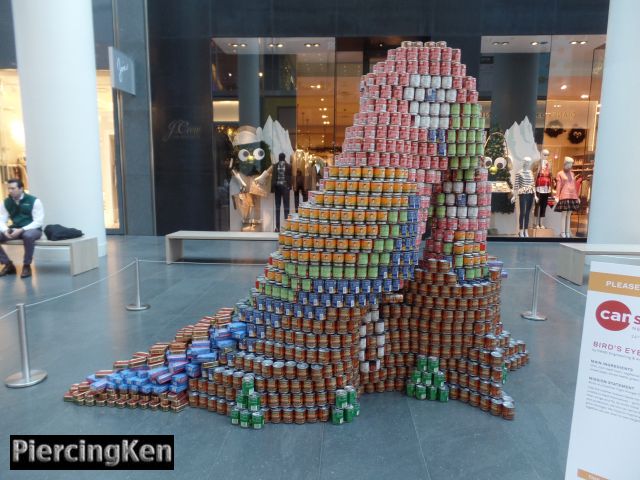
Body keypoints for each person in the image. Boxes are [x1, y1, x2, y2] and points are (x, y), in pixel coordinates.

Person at [0, 179, 45, 278]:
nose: (10, 191)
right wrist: (5, 230)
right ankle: (8, 264)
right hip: (15, 229)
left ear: (21, 189)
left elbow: (38, 221)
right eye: (9, 188)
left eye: (13, 188)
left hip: (33, 230)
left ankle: (26, 265)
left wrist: (22, 229)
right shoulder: (6, 202)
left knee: (28, 235)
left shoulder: (34, 201)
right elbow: (1, 220)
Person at [270, 152, 291, 232]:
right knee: (286, 208)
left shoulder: (275, 166)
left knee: (277, 208)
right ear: (284, 158)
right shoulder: (289, 166)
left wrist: (272, 188)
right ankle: (287, 227)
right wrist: (289, 187)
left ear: (279, 158)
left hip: (277, 187)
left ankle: (277, 227)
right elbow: (290, 177)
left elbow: (273, 177)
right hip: (285, 188)